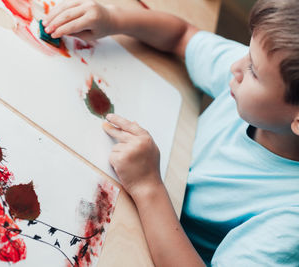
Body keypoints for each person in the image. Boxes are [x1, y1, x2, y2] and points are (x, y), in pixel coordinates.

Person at [43, 0, 299, 265]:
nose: (236, 65)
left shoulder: (289, 223)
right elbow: (182, 36)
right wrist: (113, 19)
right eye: (247, 50)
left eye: (254, 71)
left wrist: (148, 186)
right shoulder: (251, 76)